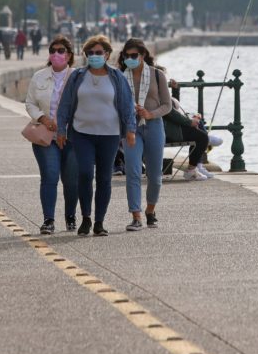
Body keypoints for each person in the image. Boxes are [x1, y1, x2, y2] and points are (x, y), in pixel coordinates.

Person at [55, 35, 136, 237]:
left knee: (104, 178)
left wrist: (130, 130)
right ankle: (86, 218)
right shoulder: (77, 76)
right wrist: (61, 130)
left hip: (109, 135)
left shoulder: (117, 77)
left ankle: (99, 221)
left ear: (107, 54)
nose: (94, 56)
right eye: (90, 53)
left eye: (98, 53)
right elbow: (65, 103)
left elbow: (127, 106)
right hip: (82, 133)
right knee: (84, 174)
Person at [24, 35, 79, 234]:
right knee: (49, 177)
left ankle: (71, 215)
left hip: (71, 137)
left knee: (71, 180)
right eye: (53, 50)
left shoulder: (77, 76)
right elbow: (29, 102)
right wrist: (42, 118)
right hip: (46, 136)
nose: (56, 54)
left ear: (69, 55)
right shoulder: (39, 76)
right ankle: (48, 219)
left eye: (61, 50)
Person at [117, 38, 172, 231]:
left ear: (143, 56)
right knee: (132, 170)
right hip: (131, 127)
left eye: (134, 56)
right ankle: (136, 215)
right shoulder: (121, 77)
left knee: (155, 175)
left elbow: (167, 105)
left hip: (154, 126)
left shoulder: (158, 76)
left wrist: (150, 114)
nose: (130, 59)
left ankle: (150, 210)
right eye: (127, 56)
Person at [163, 80, 216, 181]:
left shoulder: (161, 93)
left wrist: (175, 90)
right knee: (202, 137)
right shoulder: (159, 94)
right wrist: (189, 122)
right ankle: (192, 169)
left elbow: (174, 108)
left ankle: (197, 166)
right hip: (170, 132)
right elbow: (171, 113)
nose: (166, 81)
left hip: (172, 128)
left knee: (198, 124)